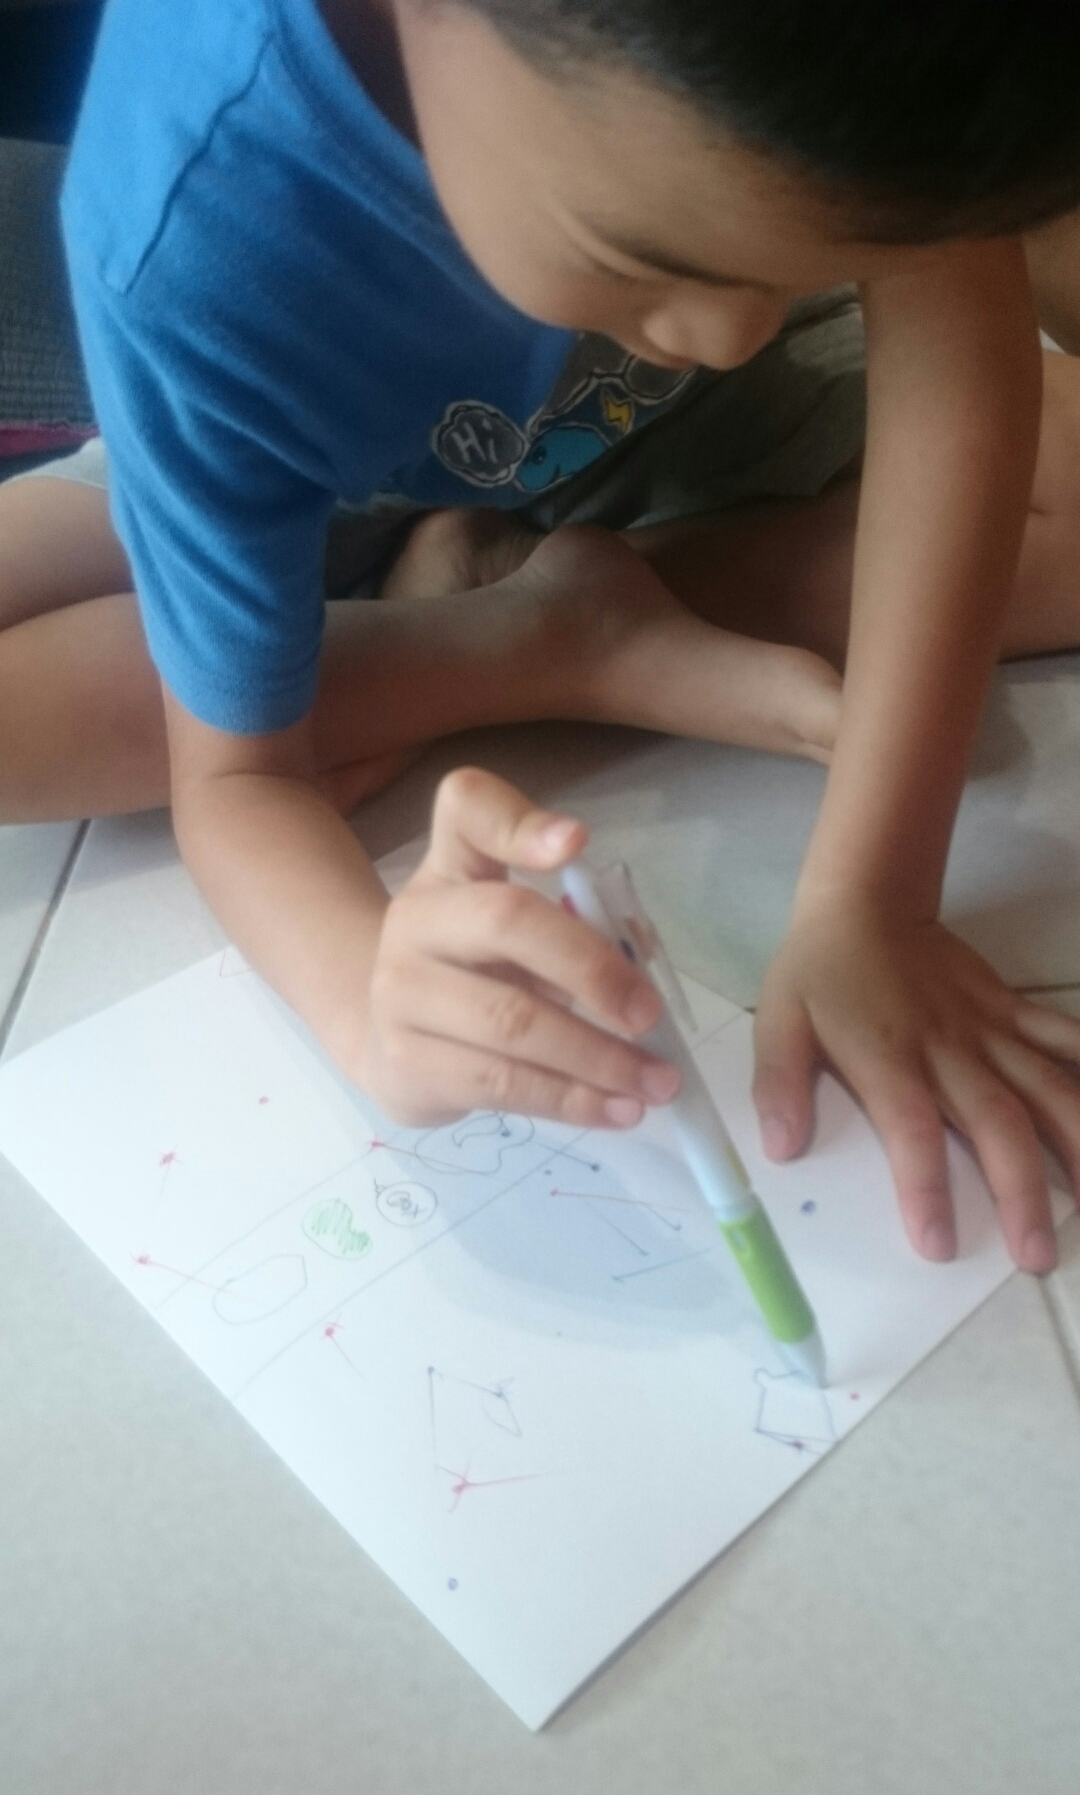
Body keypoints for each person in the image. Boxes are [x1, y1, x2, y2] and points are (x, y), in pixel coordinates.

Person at [3, 0, 1080, 1277]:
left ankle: (547, 593)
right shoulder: (191, 224)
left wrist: (874, 897)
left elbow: (954, 355)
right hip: (290, 440)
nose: (726, 331)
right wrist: (367, 1004)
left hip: (650, 430)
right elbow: (239, 781)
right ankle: (551, 638)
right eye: (634, 248)